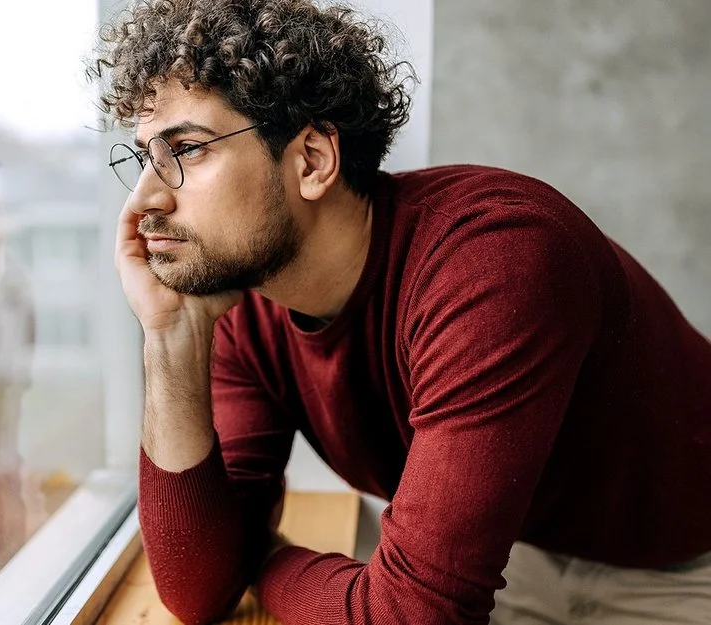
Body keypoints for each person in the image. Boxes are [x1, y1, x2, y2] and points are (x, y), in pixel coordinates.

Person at [87, 1, 711, 623]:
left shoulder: (494, 260)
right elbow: (198, 589)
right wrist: (168, 338)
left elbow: (409, 617)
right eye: (144, 156)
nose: (145, 198)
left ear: (311, 160)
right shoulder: (246, 310)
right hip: (508, 553)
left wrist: (259, 555)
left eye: (188, 149)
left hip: (682, 568)